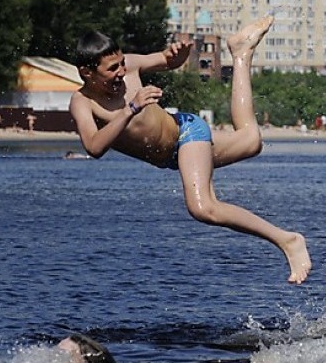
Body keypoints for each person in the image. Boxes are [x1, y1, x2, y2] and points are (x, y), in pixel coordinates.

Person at [68, 16, 311, 284]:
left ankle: (287, 240)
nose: (122, 71)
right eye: (112, 69)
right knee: (251, 141)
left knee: (203, 207)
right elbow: (93, 146)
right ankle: (241, 54)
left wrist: (176, 56)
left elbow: (166, 61)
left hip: (186, 132)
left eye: (122, 62)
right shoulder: (82, 102)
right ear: (87, 72)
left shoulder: (133, 67)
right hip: (174, 156)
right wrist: (131, 110)